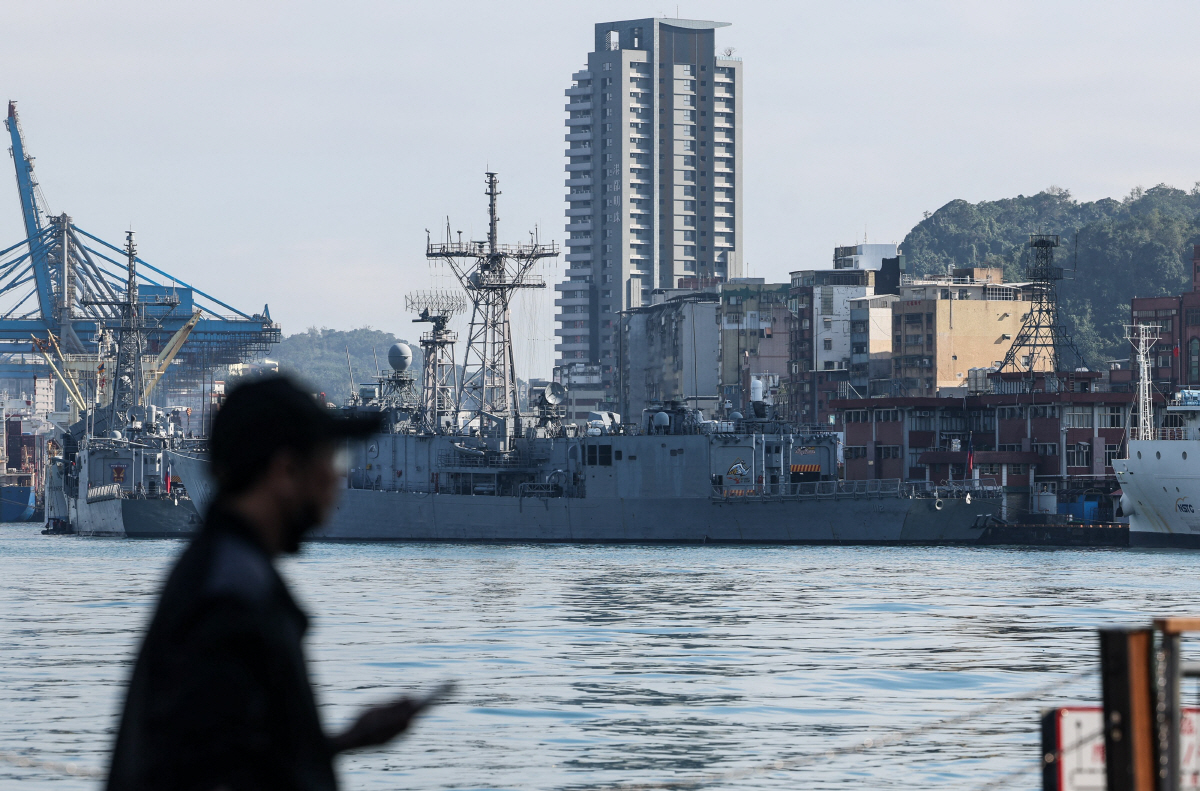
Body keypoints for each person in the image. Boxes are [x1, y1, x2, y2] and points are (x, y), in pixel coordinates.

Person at [107, 375, 430, 791]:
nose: (336, 479)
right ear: (285, 470)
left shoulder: (221, 569)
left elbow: (229, 752)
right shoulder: (234, 594)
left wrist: (348, 739)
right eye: (329, 460)